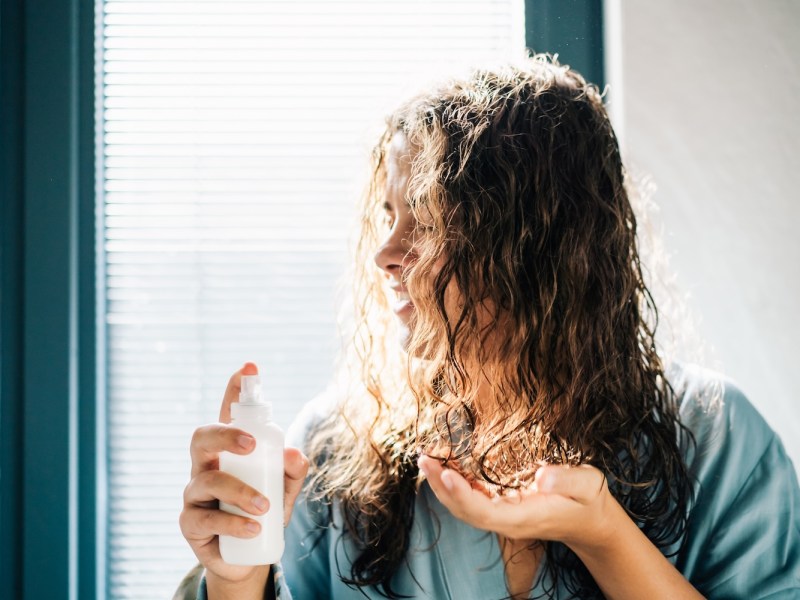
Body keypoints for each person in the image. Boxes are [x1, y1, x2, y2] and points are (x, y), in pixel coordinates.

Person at [177, 56, 800, 599]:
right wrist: (236, 581)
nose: (384, 255)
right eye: (387, 216)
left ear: (533, 247)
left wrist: (604, 535)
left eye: (424, 220)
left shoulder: (716, 438)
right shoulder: (335, 446)